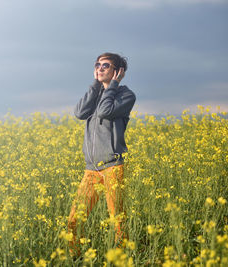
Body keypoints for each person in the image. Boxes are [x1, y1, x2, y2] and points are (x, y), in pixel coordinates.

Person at [68, 52, 136, 256]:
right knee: (75, 218)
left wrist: (112, 86)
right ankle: (74, 256)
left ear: (118, 71)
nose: (99, 68)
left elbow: (106, 111)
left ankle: (121, 256)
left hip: (113, 166)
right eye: (97, 64)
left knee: (117, 219)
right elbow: (80, 113)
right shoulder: (96, 94)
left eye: (105, 65)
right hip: (92, 169)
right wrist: (96, 85)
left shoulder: (126, 95)